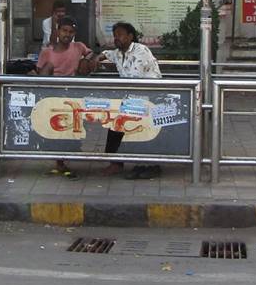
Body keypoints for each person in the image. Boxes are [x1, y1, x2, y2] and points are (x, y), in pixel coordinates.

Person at [90, 21, 162, 179]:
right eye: (115, 35)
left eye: (120, 35)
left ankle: (140, 165)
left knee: (121, 121)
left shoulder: (140, 51)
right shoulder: (118, 53)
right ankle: (117, 162)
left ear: (130, 36)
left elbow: (133, 78)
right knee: (115, 122)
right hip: (134, 99)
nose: (117, 38)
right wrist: (98, 57)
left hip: (149, 97)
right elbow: (107, 53)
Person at [34, 15, 93, 177]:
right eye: (64, 31)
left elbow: (90, 53)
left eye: (71, 32)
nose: (67, 34)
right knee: (55, 129)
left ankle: (65, 160)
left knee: (70, 129)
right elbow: (40, 73)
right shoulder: (46, 52)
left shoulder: (79, 47)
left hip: (72, 95)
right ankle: (59, 162)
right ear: (58, 31)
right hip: (53, 96)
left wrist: (85, 61)